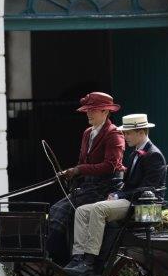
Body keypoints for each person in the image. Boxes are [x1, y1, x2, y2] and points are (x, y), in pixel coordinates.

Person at [63, 113, 167, 276]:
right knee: (82, 211)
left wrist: (120, 195)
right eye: (124, 133)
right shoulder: (134, 154)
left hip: (141, 205)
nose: (125, 137)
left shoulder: (154, 155)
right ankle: (78, 258)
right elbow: (129, 184)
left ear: (141, 132)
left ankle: (90, 262)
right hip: (130, 199)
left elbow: (148, 189)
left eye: (128, 133)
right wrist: (117, 192)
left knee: (98, 209)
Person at [46, 92, 126, 265]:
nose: (88, 113)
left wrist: (79, 170)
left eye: (93, 110)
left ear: (105, 111)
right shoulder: (87, 133)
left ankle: (69, 260)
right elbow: (82, 163)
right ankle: (58, 259)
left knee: (61, 210)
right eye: (87, 110)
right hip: (88, 187)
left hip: (105, 189)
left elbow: (110, 166)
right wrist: (70, 172)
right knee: (55, 210)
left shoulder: (114, 134)